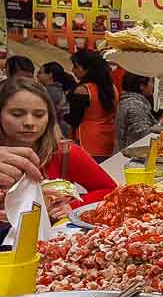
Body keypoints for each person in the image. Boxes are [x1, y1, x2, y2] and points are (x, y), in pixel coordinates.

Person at [0, 78, 116, 222]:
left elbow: (110, 190)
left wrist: (74, 206)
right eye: (17, 114)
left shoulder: (65, 153)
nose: (29, 122)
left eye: (39, 115)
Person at [67, 49, 119, 161]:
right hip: (109, 140)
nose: (73, 70)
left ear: (87, 68)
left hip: (87, 141)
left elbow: (74, 120)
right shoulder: (112, 88)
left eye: (76, 67)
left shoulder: (83, 90)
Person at [115, 72, 163, 152]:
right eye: (151, 82)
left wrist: (159, 124)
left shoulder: (130, 102)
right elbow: (142, 134)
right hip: (130, 154)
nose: (153, 86)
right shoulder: (134, 104)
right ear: (142, 86)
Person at [37, 62, 76, 138]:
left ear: (50, 75)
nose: (37, 75)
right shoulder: (55, 90)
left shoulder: (51, 92)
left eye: (40, 72)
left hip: (60, 132)